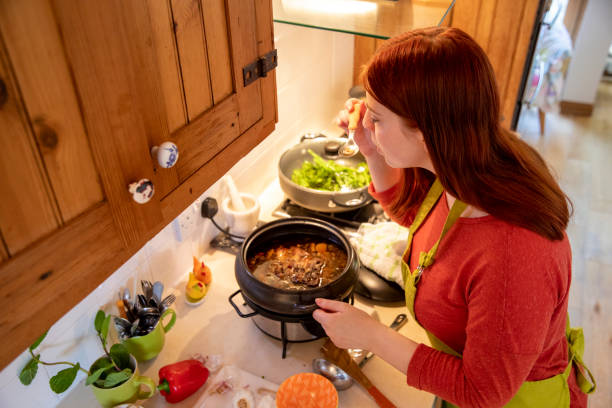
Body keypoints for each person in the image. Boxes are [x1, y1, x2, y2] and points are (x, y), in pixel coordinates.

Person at [312, 27, 595, 408]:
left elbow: (482, 393)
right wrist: (374, 152)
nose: (365, 124)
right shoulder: (467, 167)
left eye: (376, 118)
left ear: (426, 131)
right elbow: (422, 219)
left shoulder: (514, 255)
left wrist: (372, 335)